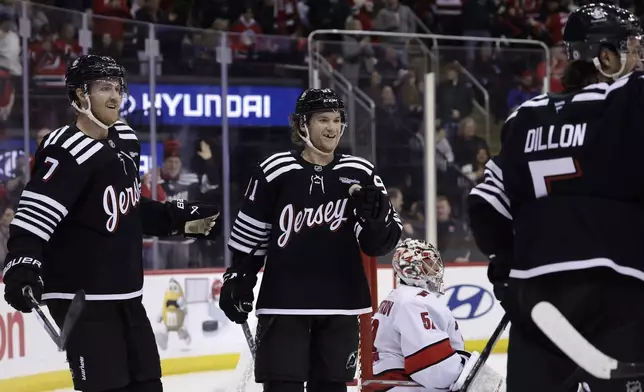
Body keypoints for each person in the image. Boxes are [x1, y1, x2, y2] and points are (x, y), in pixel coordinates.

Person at [1, 55, 220, 392]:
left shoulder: (124, 140)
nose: (116, 96)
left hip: (126, 295)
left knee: (148, 384)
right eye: (104, 88)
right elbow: (35, 210)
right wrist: (22, 262)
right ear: (79, 96)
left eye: (118, 88)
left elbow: (129, 209)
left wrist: (175, 218)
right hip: (82, 298)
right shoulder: (64, 148)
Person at [467, 3, 644, 392]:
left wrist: (508, 272)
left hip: (539, 302)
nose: (638, 60)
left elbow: (485, 204)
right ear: (606, 57)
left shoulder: (525, 117)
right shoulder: (631, 101)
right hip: (617, 296)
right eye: (632, 50)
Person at [219, 88, 403, 392]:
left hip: (340, 304)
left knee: (331, 388)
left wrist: (376, 219)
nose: (332, 128)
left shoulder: (360, 172)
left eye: (336, 120)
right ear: (302, 124)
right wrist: (239, 278)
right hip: (284, 304)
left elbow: (379, 244)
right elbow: (251, 237)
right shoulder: (275, 170)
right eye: (322, 120)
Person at [371, 238, 504, 392]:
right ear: (411, 270)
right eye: (428, 264)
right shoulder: (414, 302)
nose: (436, 269)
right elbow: (432, 368)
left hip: (388, 382)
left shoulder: (398, 297)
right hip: (399, 386)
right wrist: (466, 377)